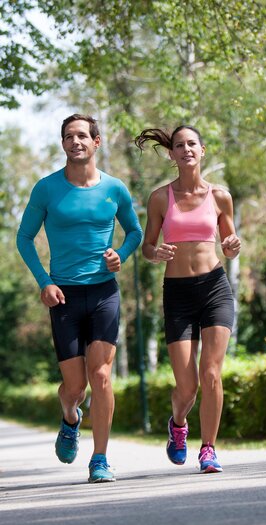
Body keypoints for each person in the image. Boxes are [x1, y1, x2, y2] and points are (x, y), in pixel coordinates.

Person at [16, 114, 143, 483]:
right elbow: (24, 238)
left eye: (83, 135)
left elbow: (134, 232)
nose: (76, 141)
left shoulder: (115, 189)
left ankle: (100, 458)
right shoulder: (47, 189)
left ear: (96, 142)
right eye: (69, 136)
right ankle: (70, 416)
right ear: (63, 144)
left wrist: (121, 254)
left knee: (101, 376)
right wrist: (44, 282)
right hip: (64, 296)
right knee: (74, 387)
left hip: (103, 291)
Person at [135, 125, 241, 473]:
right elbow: (147, 246)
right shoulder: (160, 198)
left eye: (191, 144)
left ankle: (208, 448)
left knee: (211, 373)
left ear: (202, 149)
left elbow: (230, 241)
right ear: (172, 154)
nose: (186, 149)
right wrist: (155, 252)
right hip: (178, 293)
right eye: (179, 145)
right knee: (187, 386)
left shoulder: (220, 196)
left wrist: (231, 246)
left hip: (214, 288)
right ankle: (178, 424)